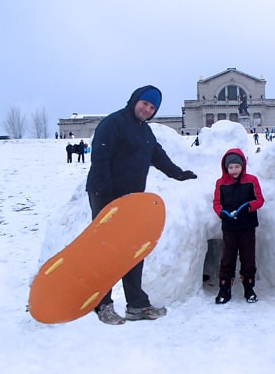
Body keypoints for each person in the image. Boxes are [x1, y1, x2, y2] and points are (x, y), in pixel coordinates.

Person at [85, 85, 198, 325]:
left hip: (132, 200)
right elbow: (100, 159)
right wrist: (105, 197)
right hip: (105, 196)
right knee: (106, 251)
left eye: (152, 107)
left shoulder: (145, 133)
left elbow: (158, 156)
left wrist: (178, 174)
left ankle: (137, 304)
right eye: (144, 103)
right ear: (135, 100)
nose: (147, 109)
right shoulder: (113, 124)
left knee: (133, 250)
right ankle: (102, 303)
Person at [212, 149, 265, 304]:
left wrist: (248, 206)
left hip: (247, 225)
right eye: (231, 167)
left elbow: (259, 200)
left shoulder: (251, 180)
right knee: (228, 257)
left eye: (237, 166)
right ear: (226, 168)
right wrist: (222, 213)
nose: (234, 170)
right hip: (229, 226)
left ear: (242, 166)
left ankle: (249, 288)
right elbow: (216, 203)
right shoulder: (221, 183)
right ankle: (224, 288)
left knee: (248, 257)